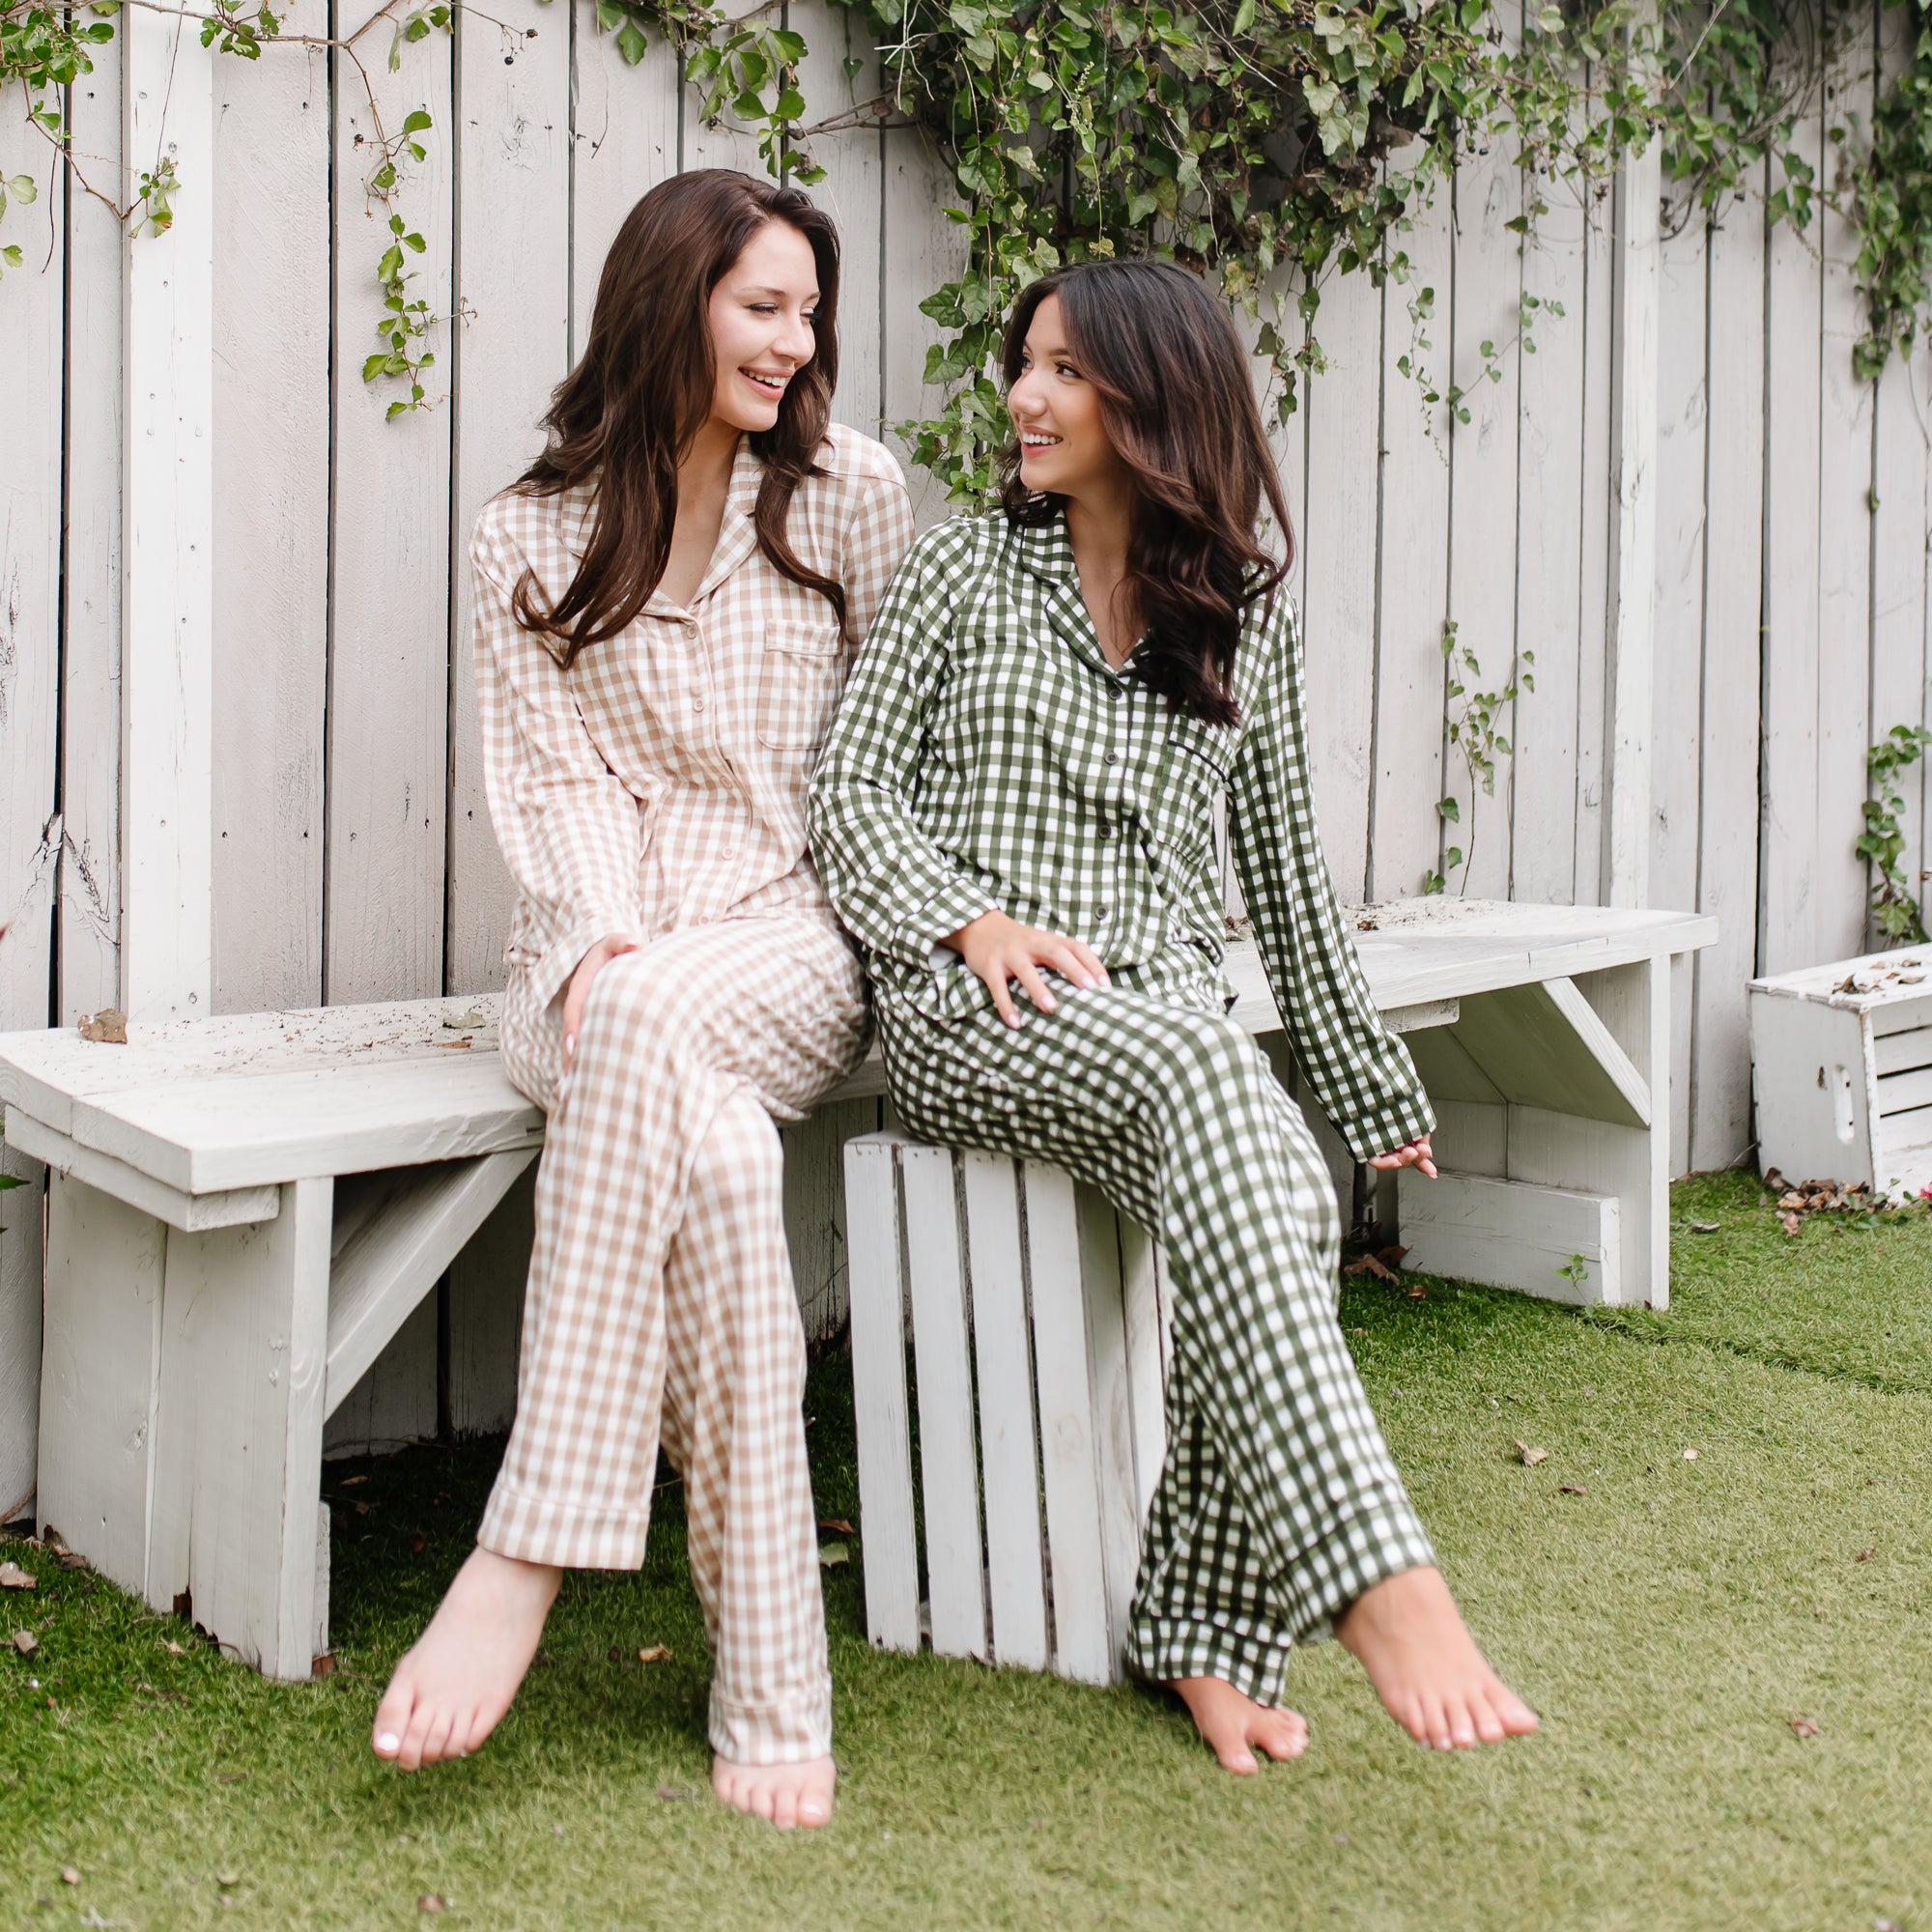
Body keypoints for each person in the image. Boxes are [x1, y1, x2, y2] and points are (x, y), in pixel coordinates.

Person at [808, 258, 1538, 1771]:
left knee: (1272, 1176)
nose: (1025, 393)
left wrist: (1359, 1078)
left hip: (1167, 1034)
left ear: (1158, 401)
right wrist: (968, 917)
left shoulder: (1234, 620)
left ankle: (1200, 1639)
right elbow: (849, 791)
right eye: (1029, 362)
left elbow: (1283, 870)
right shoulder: (960, 574)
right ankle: (1373, 1578)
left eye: (1068, 370)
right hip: (979, 1012)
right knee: (1232, 1115)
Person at [370, 168, 915, 1831]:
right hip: (580, 970)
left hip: (793, 944)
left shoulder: (852, 500)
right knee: (728, 1163)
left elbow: (880, 764)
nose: (796, 341)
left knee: (675, 1026)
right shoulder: (526, 532)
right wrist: (604, 943)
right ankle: (768, 1675)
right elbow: (550, 784)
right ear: (669, 303)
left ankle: (528, 1542)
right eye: (765, 305)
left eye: (809, 311)